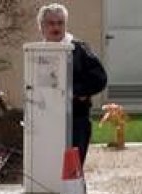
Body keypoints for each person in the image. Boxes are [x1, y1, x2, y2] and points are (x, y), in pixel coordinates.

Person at [37, 3, 107, 166]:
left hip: (76, 120)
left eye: (60, 23)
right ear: (41, 27)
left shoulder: (79, 49)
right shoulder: (37, 52)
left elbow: (100, 78)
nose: (56, 27)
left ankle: (73, 193)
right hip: (47, 119)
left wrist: (77, 92)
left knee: (72, 168)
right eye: (51, 23)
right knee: (50, 166)